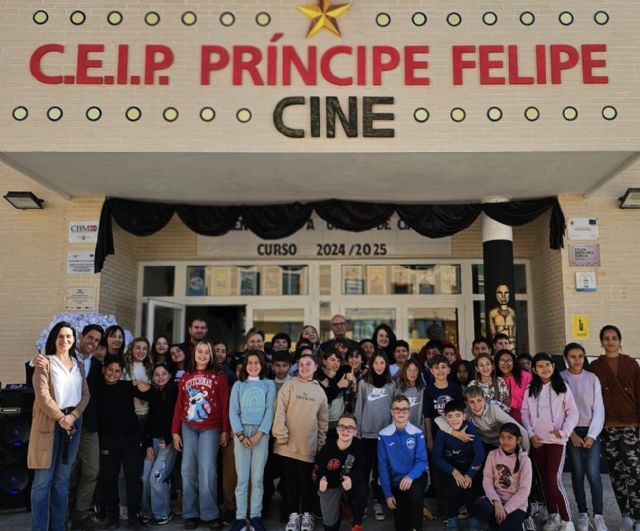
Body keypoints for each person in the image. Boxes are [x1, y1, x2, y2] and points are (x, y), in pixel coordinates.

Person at [30, 323, 105, 530]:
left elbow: (85, 395)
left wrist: (72, 416)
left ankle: (58, 527)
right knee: (43, 482)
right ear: (54, 338)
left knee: (62, 480)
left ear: (74, 339)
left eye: (69, 336)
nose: (65, 340)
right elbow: (42, 396)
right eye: (61, 336)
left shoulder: (77, 363)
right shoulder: (45, 362)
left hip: (74, 423)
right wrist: (60, 417)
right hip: (50, 422)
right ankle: (39, 527)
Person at [172, 341, 229, 530]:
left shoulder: (219, 376)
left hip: (210, 427)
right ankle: (190, 513)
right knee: (187, 469)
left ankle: (210, 513)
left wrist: (225, 430)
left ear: (211, 356)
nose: (203, 355)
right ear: (194, 354)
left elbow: (224, 404)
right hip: (188, 427)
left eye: (207, 352)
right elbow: (179, 405)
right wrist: (175, 431)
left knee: (207, 470)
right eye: (199, 351)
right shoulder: (186, 376)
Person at [590, 325, 640, 531]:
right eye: (606, 338)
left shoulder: (631, 365)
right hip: (608, 427)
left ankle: (638, 517)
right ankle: (625, 515)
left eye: (614, 338)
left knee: (634, 472)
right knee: (616, 472)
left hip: (630, 425)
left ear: (620, 341)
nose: (610, 342)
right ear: (601, 342)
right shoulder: (595, 367)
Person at [521, 352, 579, 531]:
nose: (544, 369)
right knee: (544, 481)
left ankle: (567, 521)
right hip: (538, 442)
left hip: (556, 441)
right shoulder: (530, 390)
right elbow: (524, 413)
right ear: (534, 370)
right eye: (540, 366)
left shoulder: (563, 388)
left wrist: (564, 432)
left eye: (547, 365)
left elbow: (573, 413)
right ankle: (553, 516)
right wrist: (530, 434)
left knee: (554, 481)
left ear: (553, 366)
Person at [95, 354, 153, 530]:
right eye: (110, 370)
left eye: (117, 371)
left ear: (122, 372)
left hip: (131, 439)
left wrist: (147, 386)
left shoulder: (128, 386)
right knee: (109, 479)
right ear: (104, 370)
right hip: (108, 440)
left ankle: (134, 517)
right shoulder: (96, 388)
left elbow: (152, 396)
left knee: (133, 478)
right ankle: (113, 517)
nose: (113, 373)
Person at [273, 351, 328, 531]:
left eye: (309, 364)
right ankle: (293, 515)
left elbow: (323, 421)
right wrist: (280, 433)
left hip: (308, 446)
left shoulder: (319, 391)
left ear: (316, 367)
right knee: (290, 482)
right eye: (302, 364)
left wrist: (320, 444)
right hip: (287, 444)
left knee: (307, 483)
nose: (305, 367)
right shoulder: (290, 385)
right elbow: (279, 409)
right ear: (298, 366)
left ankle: (306, 515)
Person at [560, 343, 607, 531]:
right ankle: (583, 514)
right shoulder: (561, 378)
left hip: (590, 431)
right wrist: (570, 433)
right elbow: (559, 410)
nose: (577, 360)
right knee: (577, 474)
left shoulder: (592, 378)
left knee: (593, 474)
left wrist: (592, 435)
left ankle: (598, 516)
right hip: (571, 432)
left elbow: (599, 408)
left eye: (580, 356)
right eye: (572, 356)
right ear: (565, 358)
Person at [228, 350, 276, 531]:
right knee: (242, 479)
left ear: (262, 365)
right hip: (242, 433)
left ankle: (255, 515)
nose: (253, 366)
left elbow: (269, 411)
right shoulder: (239, 385)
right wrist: (240, 434)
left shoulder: (268, 385)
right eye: (250, 362)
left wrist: (259, 434)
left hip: (260, 435)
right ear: (245, 365)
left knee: (257, 479)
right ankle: (240, 517)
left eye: (257, 362)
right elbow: (233, 411)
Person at [353, 351, 395, 521]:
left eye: (382, 363)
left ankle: (378, 501)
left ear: (386, 365)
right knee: (363, 471)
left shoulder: (391, 385)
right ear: (371, 365)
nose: (379, 366)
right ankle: (361, 504)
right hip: (366, 435)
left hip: (384, 436)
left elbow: (394, 409)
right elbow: (359, 407)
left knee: (379, 472)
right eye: (376, 363)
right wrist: (358, 431)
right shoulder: (364, 384)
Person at [378, 394, 429, 531]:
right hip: (397, 481)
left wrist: (410, 476)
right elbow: (383, 466)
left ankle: (418, 527)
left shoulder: (417, 433)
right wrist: (388, 494)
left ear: (409, 412)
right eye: (397, 409)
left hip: (416, 476)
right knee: (401, 523)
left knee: (414, 496)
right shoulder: (383, 435)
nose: (401, 412)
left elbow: (422, 461)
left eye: (404, 409)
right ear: (391, 412)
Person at [433, 399, 484, 531]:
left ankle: (474, 517)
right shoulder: (442, 432)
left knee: (469, 489)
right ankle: (451, 517)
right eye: (450, 416)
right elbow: (436, 457)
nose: (454, 419)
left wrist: (469, 475)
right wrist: (454, 472)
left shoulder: (470, 427)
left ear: (464, 416)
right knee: (453, 489)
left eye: (458, 415)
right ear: (445, 418)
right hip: (452, 465)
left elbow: (480, 454)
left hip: (469, 464)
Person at [472, 423, 533, 531]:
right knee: (478, 505)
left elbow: (524, 491)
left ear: (518, 440)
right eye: (502, 437)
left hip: (516, 505)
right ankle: (498, 524)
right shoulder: (492, 454)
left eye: (510, 438)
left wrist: (505, 510)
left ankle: (516, 522)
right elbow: (487, 481)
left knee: (508, 527)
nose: (505, 441)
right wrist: (496, 502)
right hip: (496, 501)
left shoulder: (525, 460)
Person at [435, 385, 530, 453]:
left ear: (484, 399)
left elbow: (521, 431)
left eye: (479, 400)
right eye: (472, 402)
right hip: (485, 445)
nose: (476, 406)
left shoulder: (494, 410)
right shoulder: (466, 413)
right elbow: (438, 419)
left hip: (502, 444)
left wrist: (526, 455)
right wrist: (455, 433)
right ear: (466, 403)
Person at [314, 412, 367, 531]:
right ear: (337, 430)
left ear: (355, 432)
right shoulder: (328, 448)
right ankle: (336, 513)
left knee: (362, 490)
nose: (346, 430)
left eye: (350, 428)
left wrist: (352, 479)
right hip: (331, 484)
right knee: (330, 523)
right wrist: (320, 480)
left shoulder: (359, 446)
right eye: (342, 427)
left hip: (348, 483)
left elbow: (362, 470)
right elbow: (317, 469)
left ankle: (356, 523)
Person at [141, 362, 179, 526]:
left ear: (170, 375)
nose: (160, 377)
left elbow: (177, 418)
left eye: (164, 374)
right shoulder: (154, 393)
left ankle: (163, 512)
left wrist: (169, 439)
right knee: (144, 478)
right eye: (157, 375)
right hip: (153, 442)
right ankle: (146, 511)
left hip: (167, 442)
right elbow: (149, 421)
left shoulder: (174, 392)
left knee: (156, 477)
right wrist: (148, 444)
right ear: (153, 378)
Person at [315, 349, 350, 434]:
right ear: (324, 361)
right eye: (332, 360)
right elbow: (324, 398)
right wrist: (339, 386)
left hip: (339, 420)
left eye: (338, 361)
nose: (336, 363)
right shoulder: (317, 376)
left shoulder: (341, 374)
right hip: (321, 421)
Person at [495, 349, 532, 423]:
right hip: (503, 423)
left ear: (514, 362)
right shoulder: (495, 379)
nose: (506, 364)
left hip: (526, 421)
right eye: (502, 360)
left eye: (509, 360)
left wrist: (513, 401)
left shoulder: (526, 376)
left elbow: (534, 400)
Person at [395, 358, 426, 431]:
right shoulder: (398, 390)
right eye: (409, 370)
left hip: (418, 431)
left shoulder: (423, 390)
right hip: (401, 431)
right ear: (405, 372)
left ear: (419, 372)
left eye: (415, 370)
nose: (412, 373)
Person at [488, 285, 516, 350]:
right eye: (500, 293)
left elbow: (514, 333)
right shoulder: (493, 313)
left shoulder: (512, 312)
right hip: (498, 345)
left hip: (512, 345)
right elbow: (493, 333)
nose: (503, 296)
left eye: (506, 293)